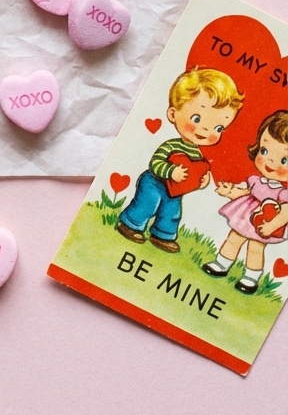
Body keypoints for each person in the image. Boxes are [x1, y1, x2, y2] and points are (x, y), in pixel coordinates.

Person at [116, 68, 244, 253]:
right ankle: (131, 224)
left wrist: (201, 181)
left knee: (172, 212)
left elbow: (196, 171)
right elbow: (156, 163)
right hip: (155, 182)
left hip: (175, 190)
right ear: (173, 114)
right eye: (197, 118)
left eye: (218, 128)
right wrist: (171, 172)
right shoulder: (171, 146)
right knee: (148, 203)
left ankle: (163, 235)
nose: (206, 130)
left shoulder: (197, 155)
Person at [204, 109, 288, 294]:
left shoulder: (283, 193)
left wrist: (272, 225)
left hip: (264, 224)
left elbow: (286, 211)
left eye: (284, 159)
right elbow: (246, 192)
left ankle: (250, 278)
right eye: (264, 151)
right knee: (233, 239)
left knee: (256, 248)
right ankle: (221, 264)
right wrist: (230, 191)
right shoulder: (255, 180)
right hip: (244, 216)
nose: (271, 162)